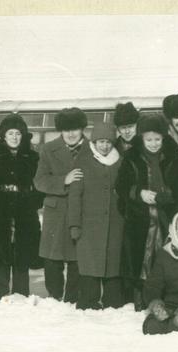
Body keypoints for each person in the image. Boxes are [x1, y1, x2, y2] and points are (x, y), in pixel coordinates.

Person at [116, 114, 178, 311]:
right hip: (139, 220)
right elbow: (121, 185)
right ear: (141, 139)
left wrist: (166, 197)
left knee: (163, 260)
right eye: (149, 139)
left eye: (157, 139)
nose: (154, 144)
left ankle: (164, 299)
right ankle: (140, 297)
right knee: (140, 260)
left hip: (166, 219)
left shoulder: (173, 156)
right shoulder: (131, 157)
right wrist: (139, 193)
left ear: (164, 138)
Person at [68, 121, 125, 310]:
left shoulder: (120, 161)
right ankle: (89, 300)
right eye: (101, 142)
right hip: (89, 225)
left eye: (108, 142)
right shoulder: (83, 161)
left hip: (115, 223)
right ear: (94, 142)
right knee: (90, 265)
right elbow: (75, 196)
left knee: (113, 264)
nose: (105, 146)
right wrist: (74, 225)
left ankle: (112, 300)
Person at [33, 107, 86, 303]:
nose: (71, 134)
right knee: (52, 258)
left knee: (77, 257)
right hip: (56, 211)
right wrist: (65, 180)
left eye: (75, 129)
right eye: (66, 129)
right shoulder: (48, 149)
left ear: (82, 129)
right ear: (60, 130)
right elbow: (39, 181)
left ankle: (72, 299)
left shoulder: (91, 148)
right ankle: (54, 298)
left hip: (80, 210)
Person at [0, 114, 43, 299]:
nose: (14, 137)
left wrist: (32, 200)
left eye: (18, 133)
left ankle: (21, 293)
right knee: (0, 251)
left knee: (22, 252)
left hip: (24, 210)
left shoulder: (32, 157)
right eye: (10, 133)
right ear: (3, 135)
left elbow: (40, 184)